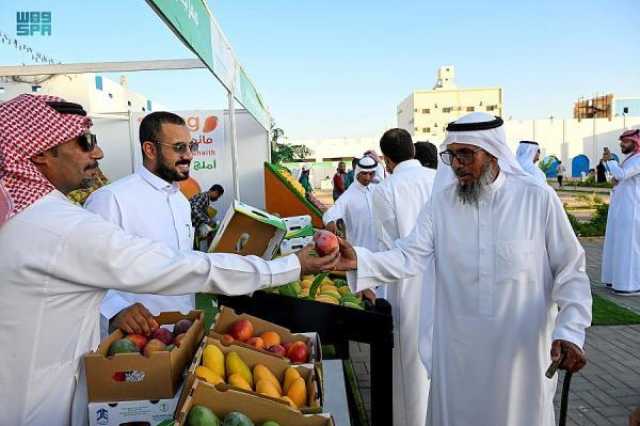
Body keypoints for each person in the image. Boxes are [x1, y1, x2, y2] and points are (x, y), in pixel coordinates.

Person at [0, 94, 337, 426]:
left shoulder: (27, 217)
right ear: (41, 152)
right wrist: (288, 266)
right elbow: (178, 266)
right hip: (42, 399)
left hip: (163, 339)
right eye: (85, 142)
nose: (98, 152)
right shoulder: (65, 222)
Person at [334, 112, 592, 426]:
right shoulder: (441, 205)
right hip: (457, 353)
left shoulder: (536, 200)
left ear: (494, 152)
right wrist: (359, 260)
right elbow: (408, 255)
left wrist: (570, 331)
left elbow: (570, 269)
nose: (456, 164)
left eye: (466, 154)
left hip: (518, 356)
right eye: (452, 155)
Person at [86, 112, 199, 335]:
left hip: (183, 331)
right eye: (178, 147)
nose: (188, 155)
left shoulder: (181, 202)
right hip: (135, 343)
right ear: (150, 149)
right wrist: (116, 310)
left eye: (190, 146)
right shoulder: (111, 199)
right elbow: (85, 269)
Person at [371, 129, 436, 426]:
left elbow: (387, 245)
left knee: (408, 361)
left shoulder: (386, 189)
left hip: (405, 283)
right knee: (438, 359)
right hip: (443, 281)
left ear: (386, 159)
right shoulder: (439, 180)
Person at [601, 129, 640, 295]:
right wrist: (609, 164)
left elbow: (622, 175)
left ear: (635, 143)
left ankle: (628, 285)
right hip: (621, 208)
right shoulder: (630, 159)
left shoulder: (638, 159)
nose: (622, 145)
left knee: (628, 247)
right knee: (616, 244)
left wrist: (610, 161)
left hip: (631, 210)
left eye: (625, 142)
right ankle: (614, 279)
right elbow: (617, 178)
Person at [323, 156, 378, 250]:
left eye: (371, 174)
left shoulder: (376, 189)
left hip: (379, 250)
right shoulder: (349, 195)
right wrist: (330, 221)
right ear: (357, 173)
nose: (368, 177)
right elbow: (331, 212)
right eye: (364, 173)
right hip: (359, 251)